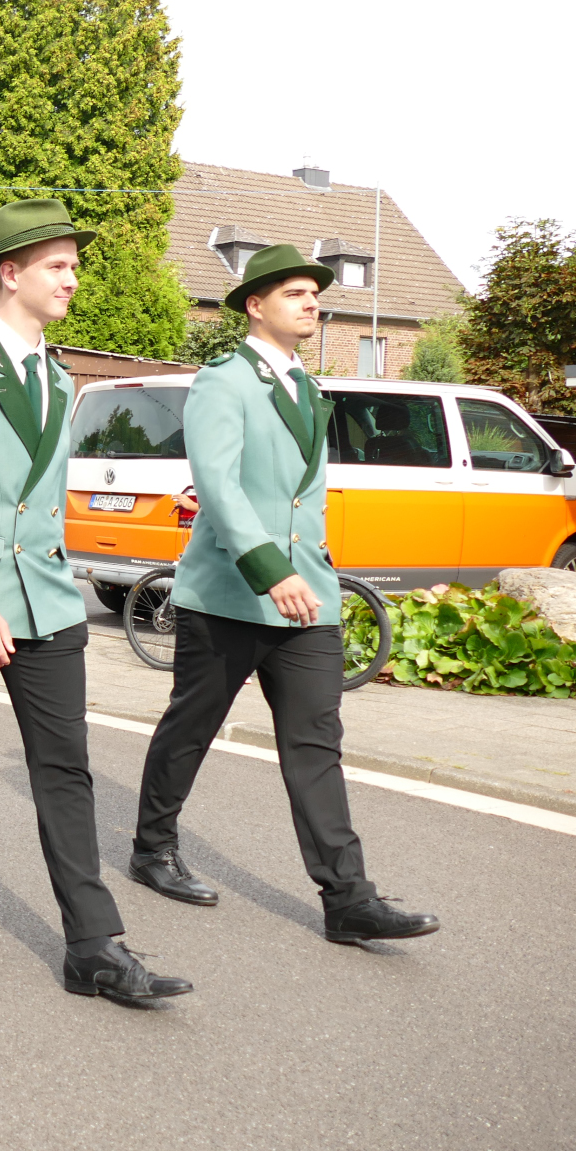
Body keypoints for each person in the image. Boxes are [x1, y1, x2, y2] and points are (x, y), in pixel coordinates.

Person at [0, 199, 192, 1004]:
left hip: (47, 599)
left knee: (65, 767)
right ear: (10, 273)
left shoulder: (56, 375)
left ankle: (94, 945)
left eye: (74, 265)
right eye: (57, 265)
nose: (72, 278)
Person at [129, 243, 441, 945]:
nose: (312, 303)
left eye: (315, 294)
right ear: (255, 305)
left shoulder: (307, 385)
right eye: (296, 293)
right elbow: (218, 486)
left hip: (308, 594)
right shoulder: (223, 381)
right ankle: (153, 848)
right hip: (231, 594)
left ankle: (348, 898)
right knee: (191, 726)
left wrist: (309, 567)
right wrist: (272, 570)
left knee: (315, 744)